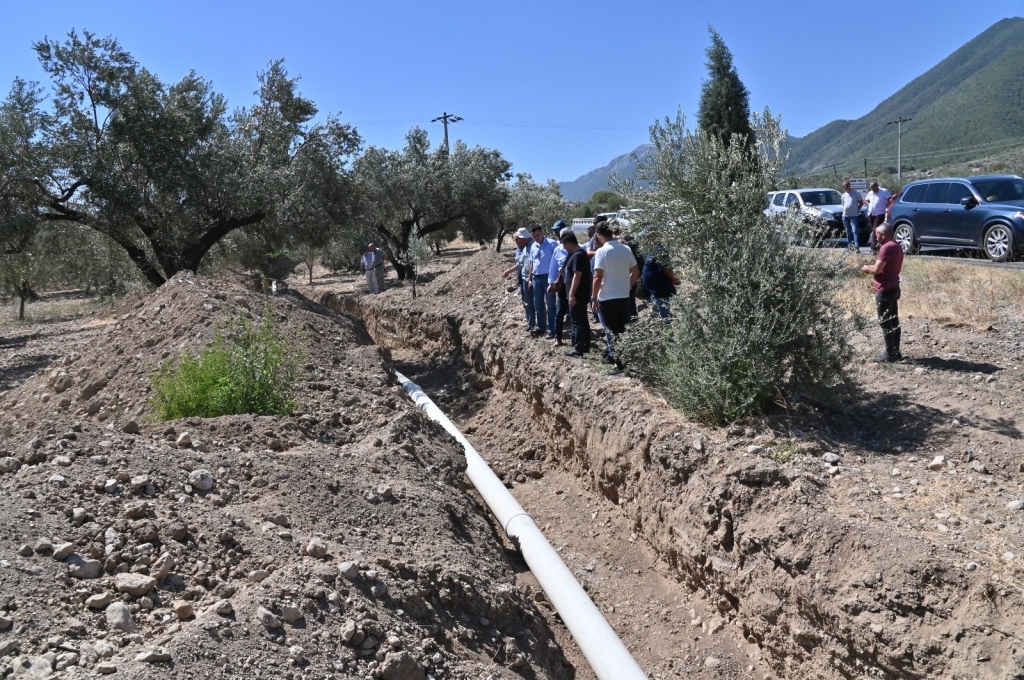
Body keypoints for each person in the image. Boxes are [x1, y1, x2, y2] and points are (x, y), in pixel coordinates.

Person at [591, 224, 639, 375]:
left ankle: (620, 365)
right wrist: (627, 286)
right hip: (623, 296)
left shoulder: (602, 251)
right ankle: (627, 363)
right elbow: (636, 272)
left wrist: (593, 297)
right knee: (624, 330)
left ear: (599, 234)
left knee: (614, 332)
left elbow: (597, 277)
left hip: (607, 298)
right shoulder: (625, 249)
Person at [860, 222, 904, 362]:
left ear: (883, 235)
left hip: (884, 289)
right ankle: (895, 351)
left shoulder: (886, 247)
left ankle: (890, 354)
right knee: (893, 320)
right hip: (894, 287)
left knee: (885, 321)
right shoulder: (896, 246)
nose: (875, 236)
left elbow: (876, 270)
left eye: (877, 234)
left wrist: (866, 267)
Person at [561, 232, 591, 357]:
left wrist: (571, 294)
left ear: (568, 243)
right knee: (583, 320)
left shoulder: (578, 256)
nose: (563, 247)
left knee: (577, 322)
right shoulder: (581, 254)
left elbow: (576, 276)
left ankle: (578, 349)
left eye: (564, 245)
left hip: (578, 295)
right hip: (582, 294)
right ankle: (584, 345)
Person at [502, 228, 536, 331]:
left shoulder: (535, 246)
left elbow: (533, 264)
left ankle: (541, 326)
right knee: (527, 302)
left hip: (535, 278)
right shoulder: (523, 249)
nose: (518, 241)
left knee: (538, 303)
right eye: (516, 239)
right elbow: (520, 264)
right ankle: (530, 324)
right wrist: (509, 272)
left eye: (519, 239)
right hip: (524, 279)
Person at [527, 225, 558, 338]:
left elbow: (557, 261)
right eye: (534, 236)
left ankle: (552, 330)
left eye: (538, 235)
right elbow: (532, 263)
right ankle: (541, 328)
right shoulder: (533, 246)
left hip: (548, 277)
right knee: (538, 304)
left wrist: (556, 278)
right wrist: (530, 279)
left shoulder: (552, 244)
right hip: (536, 278)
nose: (536, 238)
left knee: (551, 304)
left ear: (542, 232)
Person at [547, 221, 571, 345]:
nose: (556, 233)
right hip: (562, 286)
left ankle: (576, 339)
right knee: (560, 311)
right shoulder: (557, 250)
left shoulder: (580, 248)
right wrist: (551, 284)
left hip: (574, 286)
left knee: (575, 313)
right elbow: (553, 269)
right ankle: (558, 338)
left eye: (557, 230)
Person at [641, 245, 679, 319]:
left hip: (660, 291)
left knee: (663, 317)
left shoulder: (660, 250)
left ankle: (666, 327)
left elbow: (667, 269)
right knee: (659, 316)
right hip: (655, 292)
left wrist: (674, 279)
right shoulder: (654, 249)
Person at [866, 181, 892, 250]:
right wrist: (869, 204)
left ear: (877, 186)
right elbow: (866, 200)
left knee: (875, 230)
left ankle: (873, 247)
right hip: (871, 214)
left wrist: (887, 207)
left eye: (874, 187)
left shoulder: (884, 191)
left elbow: (889, 199)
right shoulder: (870, 193)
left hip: (879, 214)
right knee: (874, 231)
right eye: (872, 188)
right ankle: (879, 245)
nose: (873, 189)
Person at [841, 180, 865, 251]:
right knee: (848, 231)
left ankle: (856, 246)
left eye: (847, 185)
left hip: (854, 216)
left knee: (855, 231)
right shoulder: (843, 195)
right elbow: (843, 204)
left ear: (850, 185)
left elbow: (861, 202)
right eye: (844, 186)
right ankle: (850, 246)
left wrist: (857, 209)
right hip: (845, 216)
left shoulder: (856, 193)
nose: (845, 187)